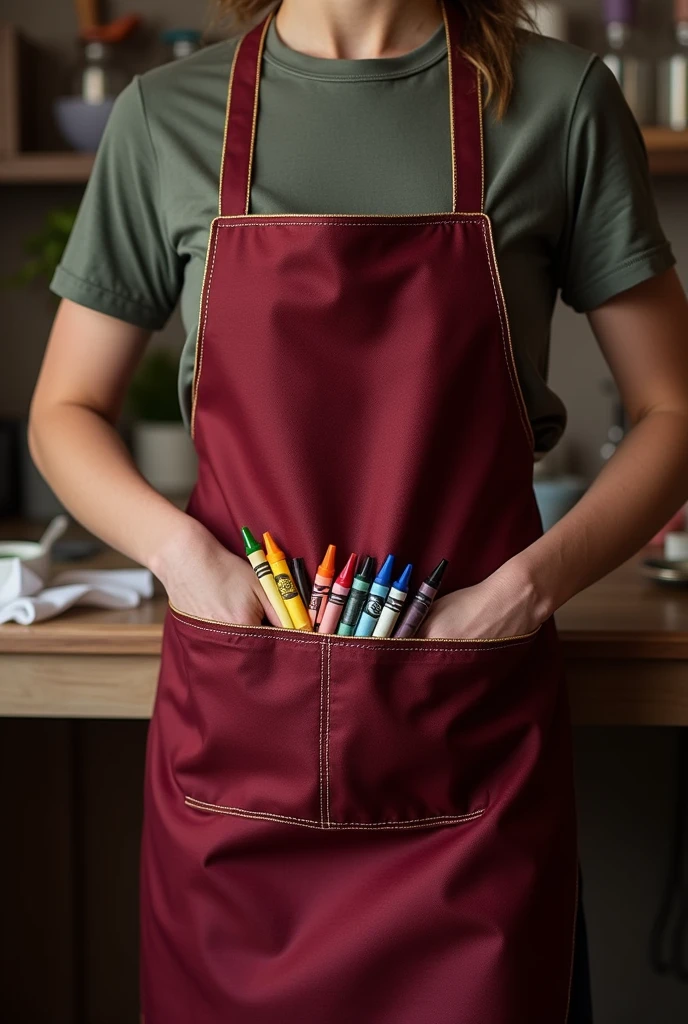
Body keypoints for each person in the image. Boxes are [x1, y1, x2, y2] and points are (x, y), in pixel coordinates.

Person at [29, 1, 688, 1021]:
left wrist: (524, 589)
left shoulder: (557, 104)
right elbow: (63, 411)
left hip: (467, 736)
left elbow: (672, 410)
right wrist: (182, 556)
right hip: (242, 747)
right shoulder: (167, 115)